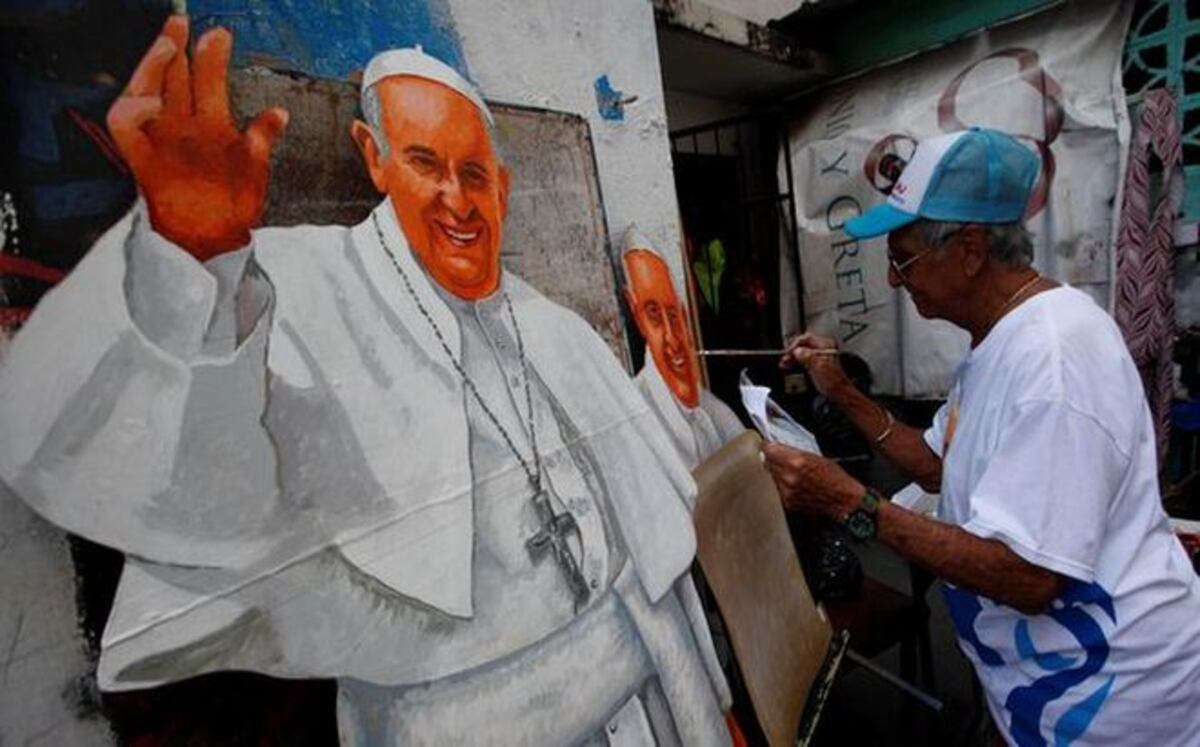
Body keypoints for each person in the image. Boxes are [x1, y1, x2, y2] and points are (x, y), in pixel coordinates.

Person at [0, 16, 731, 745]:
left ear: (503, 186)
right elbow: (172, 481)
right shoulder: (302, 288)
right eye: (425, 164)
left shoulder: (554, 327)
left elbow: (658, 558)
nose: (458, 199)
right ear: (373, 157)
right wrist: (193, 263)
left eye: (475, 173)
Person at [761, 127, 1200, 745]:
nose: (893, 280)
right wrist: (839, 390)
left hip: (1108, 704)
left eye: (902, 258)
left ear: (968, 248)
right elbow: (939, 465)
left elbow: (1028, 577)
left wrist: (849, 503)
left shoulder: (1052, 359)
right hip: (1042, 690)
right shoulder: (999, 342)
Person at [622, 228, 744, 469]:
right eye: (654, 315)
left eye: (673, 316)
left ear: (685, 317)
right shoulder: (639, 416)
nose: (672, 340)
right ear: (636, 315)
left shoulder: (714, 411)